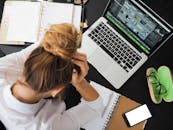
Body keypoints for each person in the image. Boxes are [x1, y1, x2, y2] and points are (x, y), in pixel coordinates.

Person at [0, 23, 103, 130]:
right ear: (57, 90)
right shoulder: (48, 127)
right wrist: (81, 83)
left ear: (27, 59)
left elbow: (41, 46)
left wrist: (60, 48)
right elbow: (95, 106)